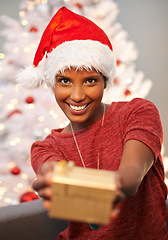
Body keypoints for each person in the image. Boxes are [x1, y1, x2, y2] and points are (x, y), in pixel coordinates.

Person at [17, 6, 168, 240]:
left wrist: (109, 186)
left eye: (90, 81)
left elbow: (131, 177)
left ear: (105, 82)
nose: (77, 95)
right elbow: (52, 174)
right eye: (65, 81)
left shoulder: (137, 112)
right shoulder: (46, 147)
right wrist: (52, 179)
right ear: (52, 84)